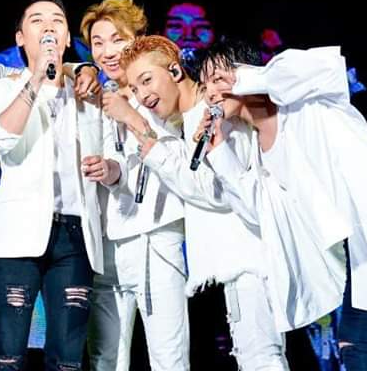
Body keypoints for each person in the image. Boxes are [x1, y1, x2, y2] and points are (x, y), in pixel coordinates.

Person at [193, 37, 367, 370]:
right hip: (359, 242)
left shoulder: (304, 99)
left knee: (357, 339)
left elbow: (325, 65)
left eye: (218, 79)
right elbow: (259, 211)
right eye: (204, 85)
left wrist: (246, 79)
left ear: (246, 72)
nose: (211, 92)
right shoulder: (257, 151)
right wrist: (219, 151)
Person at [118, 35, 290, 369]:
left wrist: (156, 154)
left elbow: (219, 190)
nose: (142, 94)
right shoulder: (193, 117)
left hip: (250, 262)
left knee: (261, 358)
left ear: (175, 71)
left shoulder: (215, 110)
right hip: (240, 264)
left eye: (147, 80)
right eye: (135, 88)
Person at [0, 0, 119, 371]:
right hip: (17, 235)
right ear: (20, 37)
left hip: (75, 235)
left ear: (67, 36)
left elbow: (112, 151)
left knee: (68, 360)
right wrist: (36, 78)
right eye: (37, 21)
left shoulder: (88, 91)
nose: (48, 28)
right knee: (8, 356)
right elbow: (0, 140)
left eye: (57, 21)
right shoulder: (2, 87)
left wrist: (109, 168)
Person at [79, 0, 190, 370]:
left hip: (156, 236)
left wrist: (131, 116)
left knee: (168, 356)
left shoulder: (159, 89)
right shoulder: (98, 98)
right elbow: (121, 168)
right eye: (98, 43)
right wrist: (109, 170)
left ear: (138, 39)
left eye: (118, 39)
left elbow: (176, 157)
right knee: (105, 358)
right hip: (109, 242)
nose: (107, 51)